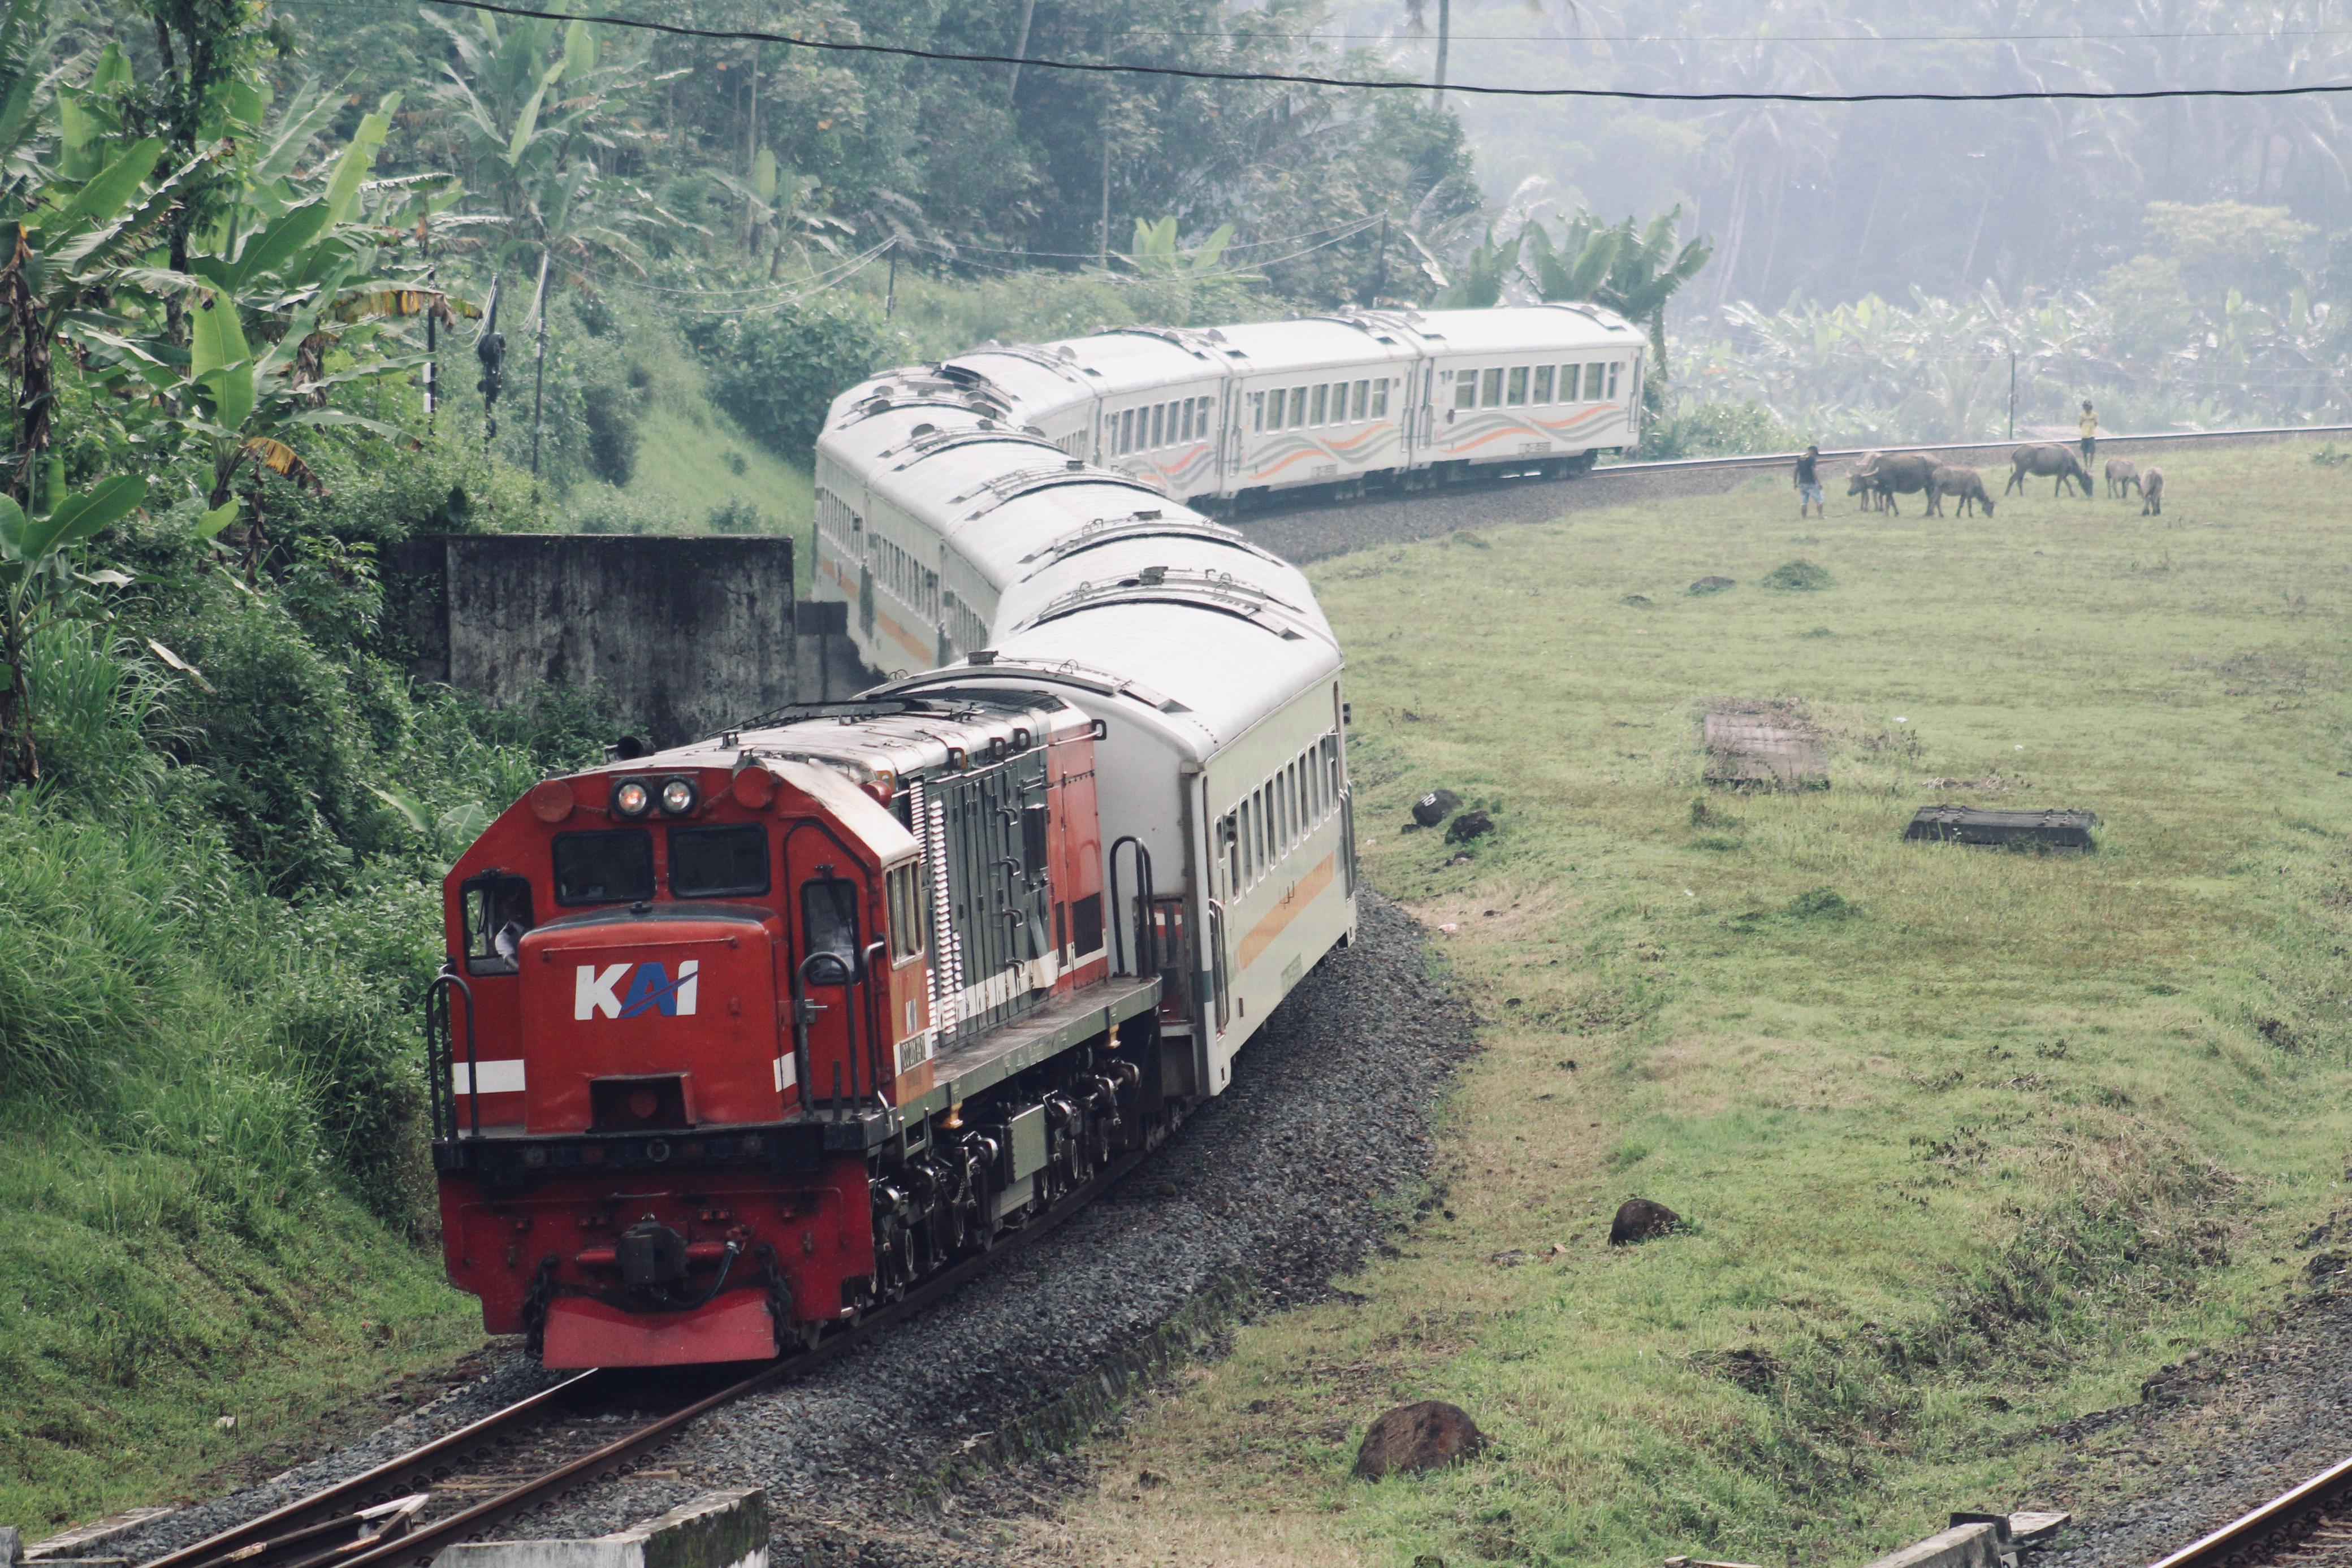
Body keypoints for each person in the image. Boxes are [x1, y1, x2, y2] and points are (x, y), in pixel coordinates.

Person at [1795, 443, 1824, 518]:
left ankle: (1804, 517)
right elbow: (1814, 470)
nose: (1815, 455)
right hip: (1810, 482)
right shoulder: (1812, 458)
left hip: (1801, 483)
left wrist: (1795, 483)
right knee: (1820, 500)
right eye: (1815, 453)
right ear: (1813, 451)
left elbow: (1796, 470)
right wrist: (1819, 482)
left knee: (1804, 501)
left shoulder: (1800, 458)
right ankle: (1820, 516)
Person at [2079, 399, 2098, 469]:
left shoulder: (2094, 415)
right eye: (2085, 406)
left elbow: (2096, 423)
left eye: (2088, 406)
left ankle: (2090, 466)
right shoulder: (2081, 415)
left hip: (2091, 435)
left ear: (2090, 407)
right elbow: (2080, 424)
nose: (2087, 408)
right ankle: (2086, 465)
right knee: (2085, 452)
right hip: (2084, 436)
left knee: (2092, 452)